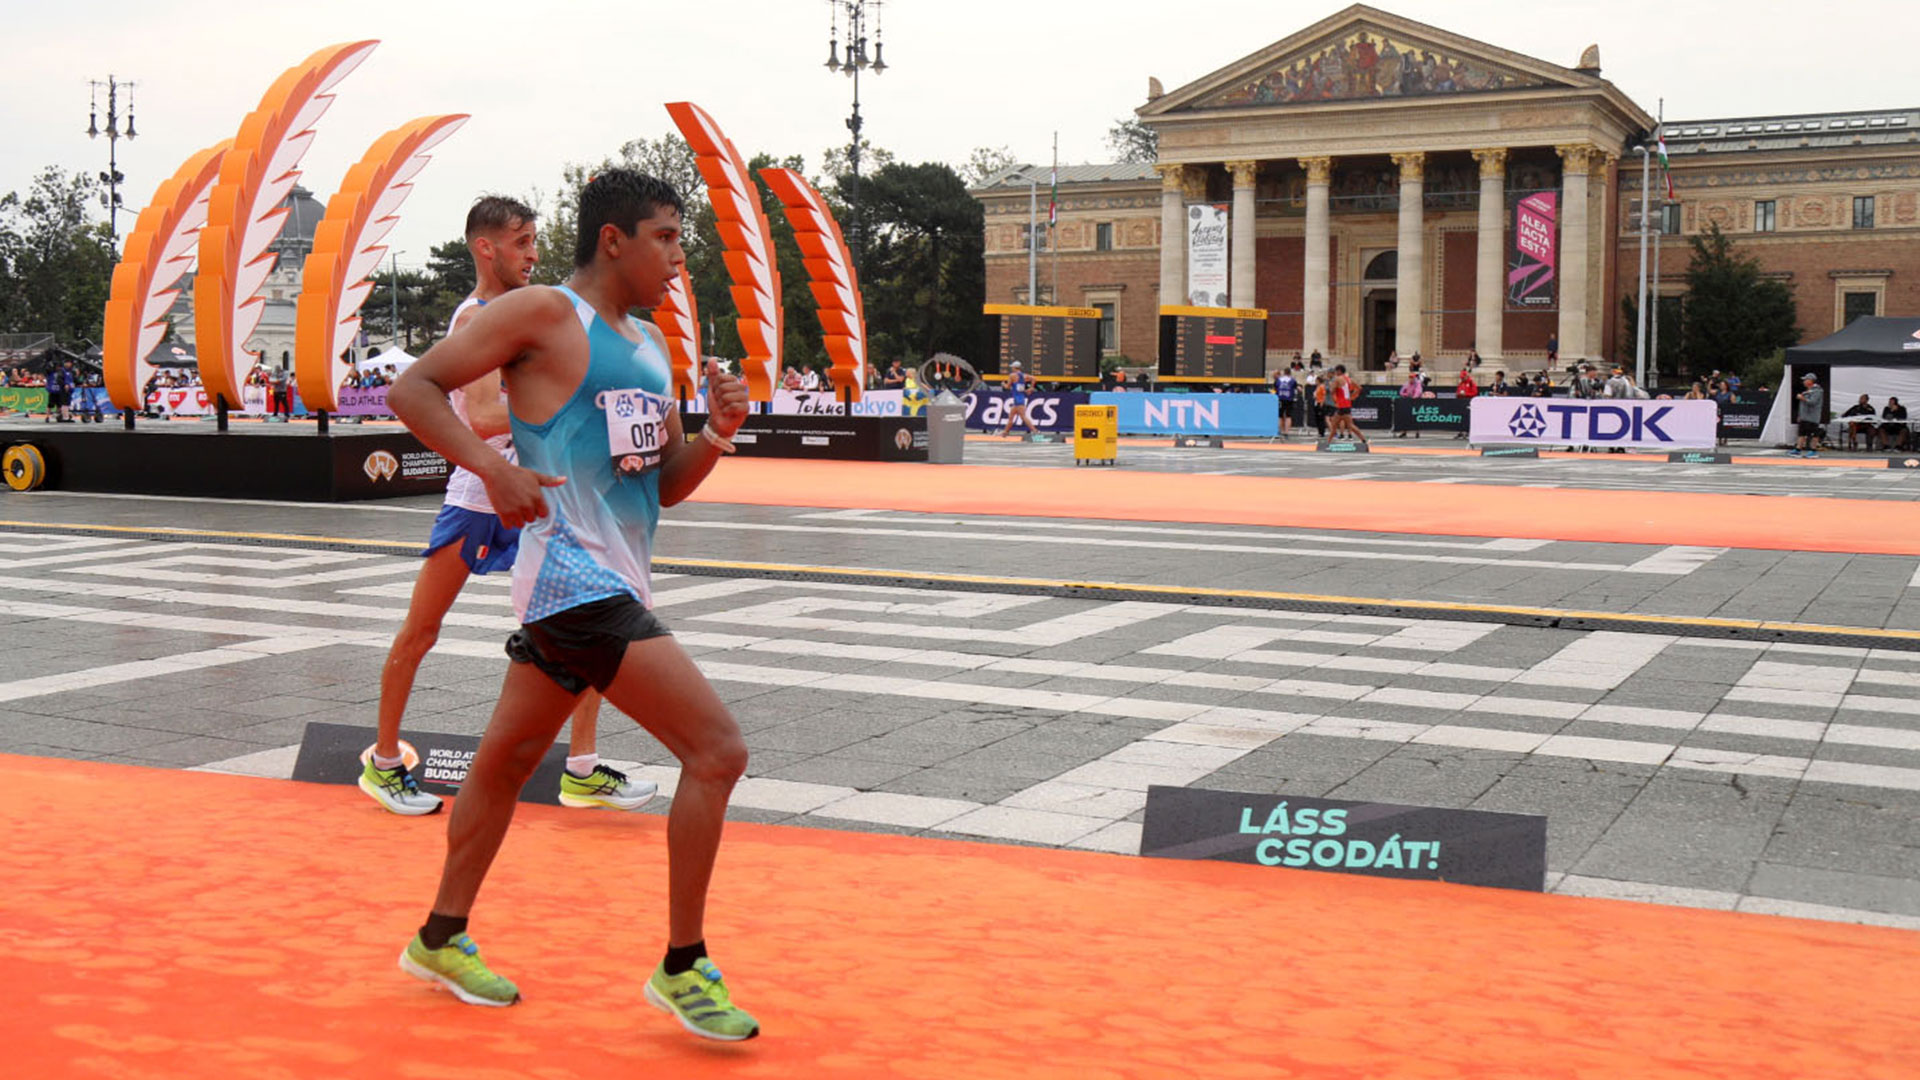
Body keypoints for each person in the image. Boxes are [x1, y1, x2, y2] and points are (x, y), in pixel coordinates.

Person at [386, 170, 759, 1037]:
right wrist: (494, 468)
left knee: (506, 762)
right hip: (572, 583)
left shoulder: (653, 345)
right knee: (717, 751)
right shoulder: (545, 314)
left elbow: (660, 488)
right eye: (665, 237)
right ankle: (683, 964)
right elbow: (413, 390)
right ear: (614, 239)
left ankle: (440, 936)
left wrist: (717, 433)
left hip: (612, 582)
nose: (678, 257)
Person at [362, 195, 655, 821]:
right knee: (421, 630)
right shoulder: (478, 317)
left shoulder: (535, 313)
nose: (534, 254)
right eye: (522, 242)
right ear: (485, 248)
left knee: (586, 624)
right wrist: (567, 413)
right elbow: (488, 414)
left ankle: (580, 768)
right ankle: (383, 762)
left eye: (535, 241)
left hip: (538, 494)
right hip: (479, 496)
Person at [996, 360, 1038, 437]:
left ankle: (1035, 431)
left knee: (1023, 416)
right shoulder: (1024, 376)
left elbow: (1008, 387)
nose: (1011, 368)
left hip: (1018, 399)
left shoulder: (1012, 375)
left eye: (1012, 367)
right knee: (1011, 416)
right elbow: (1034, 378)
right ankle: (1005, 432)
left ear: (1015, 368)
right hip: (1019, 398)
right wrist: (1031, 388)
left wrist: (1003, 384)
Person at [1328, 364, 1366, 445]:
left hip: (1341, 405)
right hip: (1347, 404)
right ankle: (1363, 440)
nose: (1335, 373)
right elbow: (1359, 388)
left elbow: (1332, 390)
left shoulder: (1338, 379)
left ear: (1339, 371)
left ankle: (1327, 443)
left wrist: (1331, 385)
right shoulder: (1349, 379)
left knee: (1334, 425)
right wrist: (1352, 397)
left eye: (1336, 371)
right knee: (1350, 425)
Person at [1793, 373, 1825, 458]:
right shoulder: (1806, 391)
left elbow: (1812, 402)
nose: (1803, 381)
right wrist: (1800, 415)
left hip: (1812, 417)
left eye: (1805, 380)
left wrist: (1802, 398)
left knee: (1814, 434)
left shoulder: (1817, 391)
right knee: (1801, 433)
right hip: (1804, 416)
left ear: (1810, 381)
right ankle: (1798, 449)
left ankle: (1813, 451)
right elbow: (1802, 405)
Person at [1272, 364, 1296, 439]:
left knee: (1280, 416)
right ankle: (1286, 432)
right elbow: (1295, 388)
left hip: (1280, 399)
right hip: (1289, 399)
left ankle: (1280, 431)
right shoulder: (1293, 380)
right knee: (1288, 416)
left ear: (1284, 372)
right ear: (1290, 373)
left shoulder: (1278, 380)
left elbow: (1275, 389)